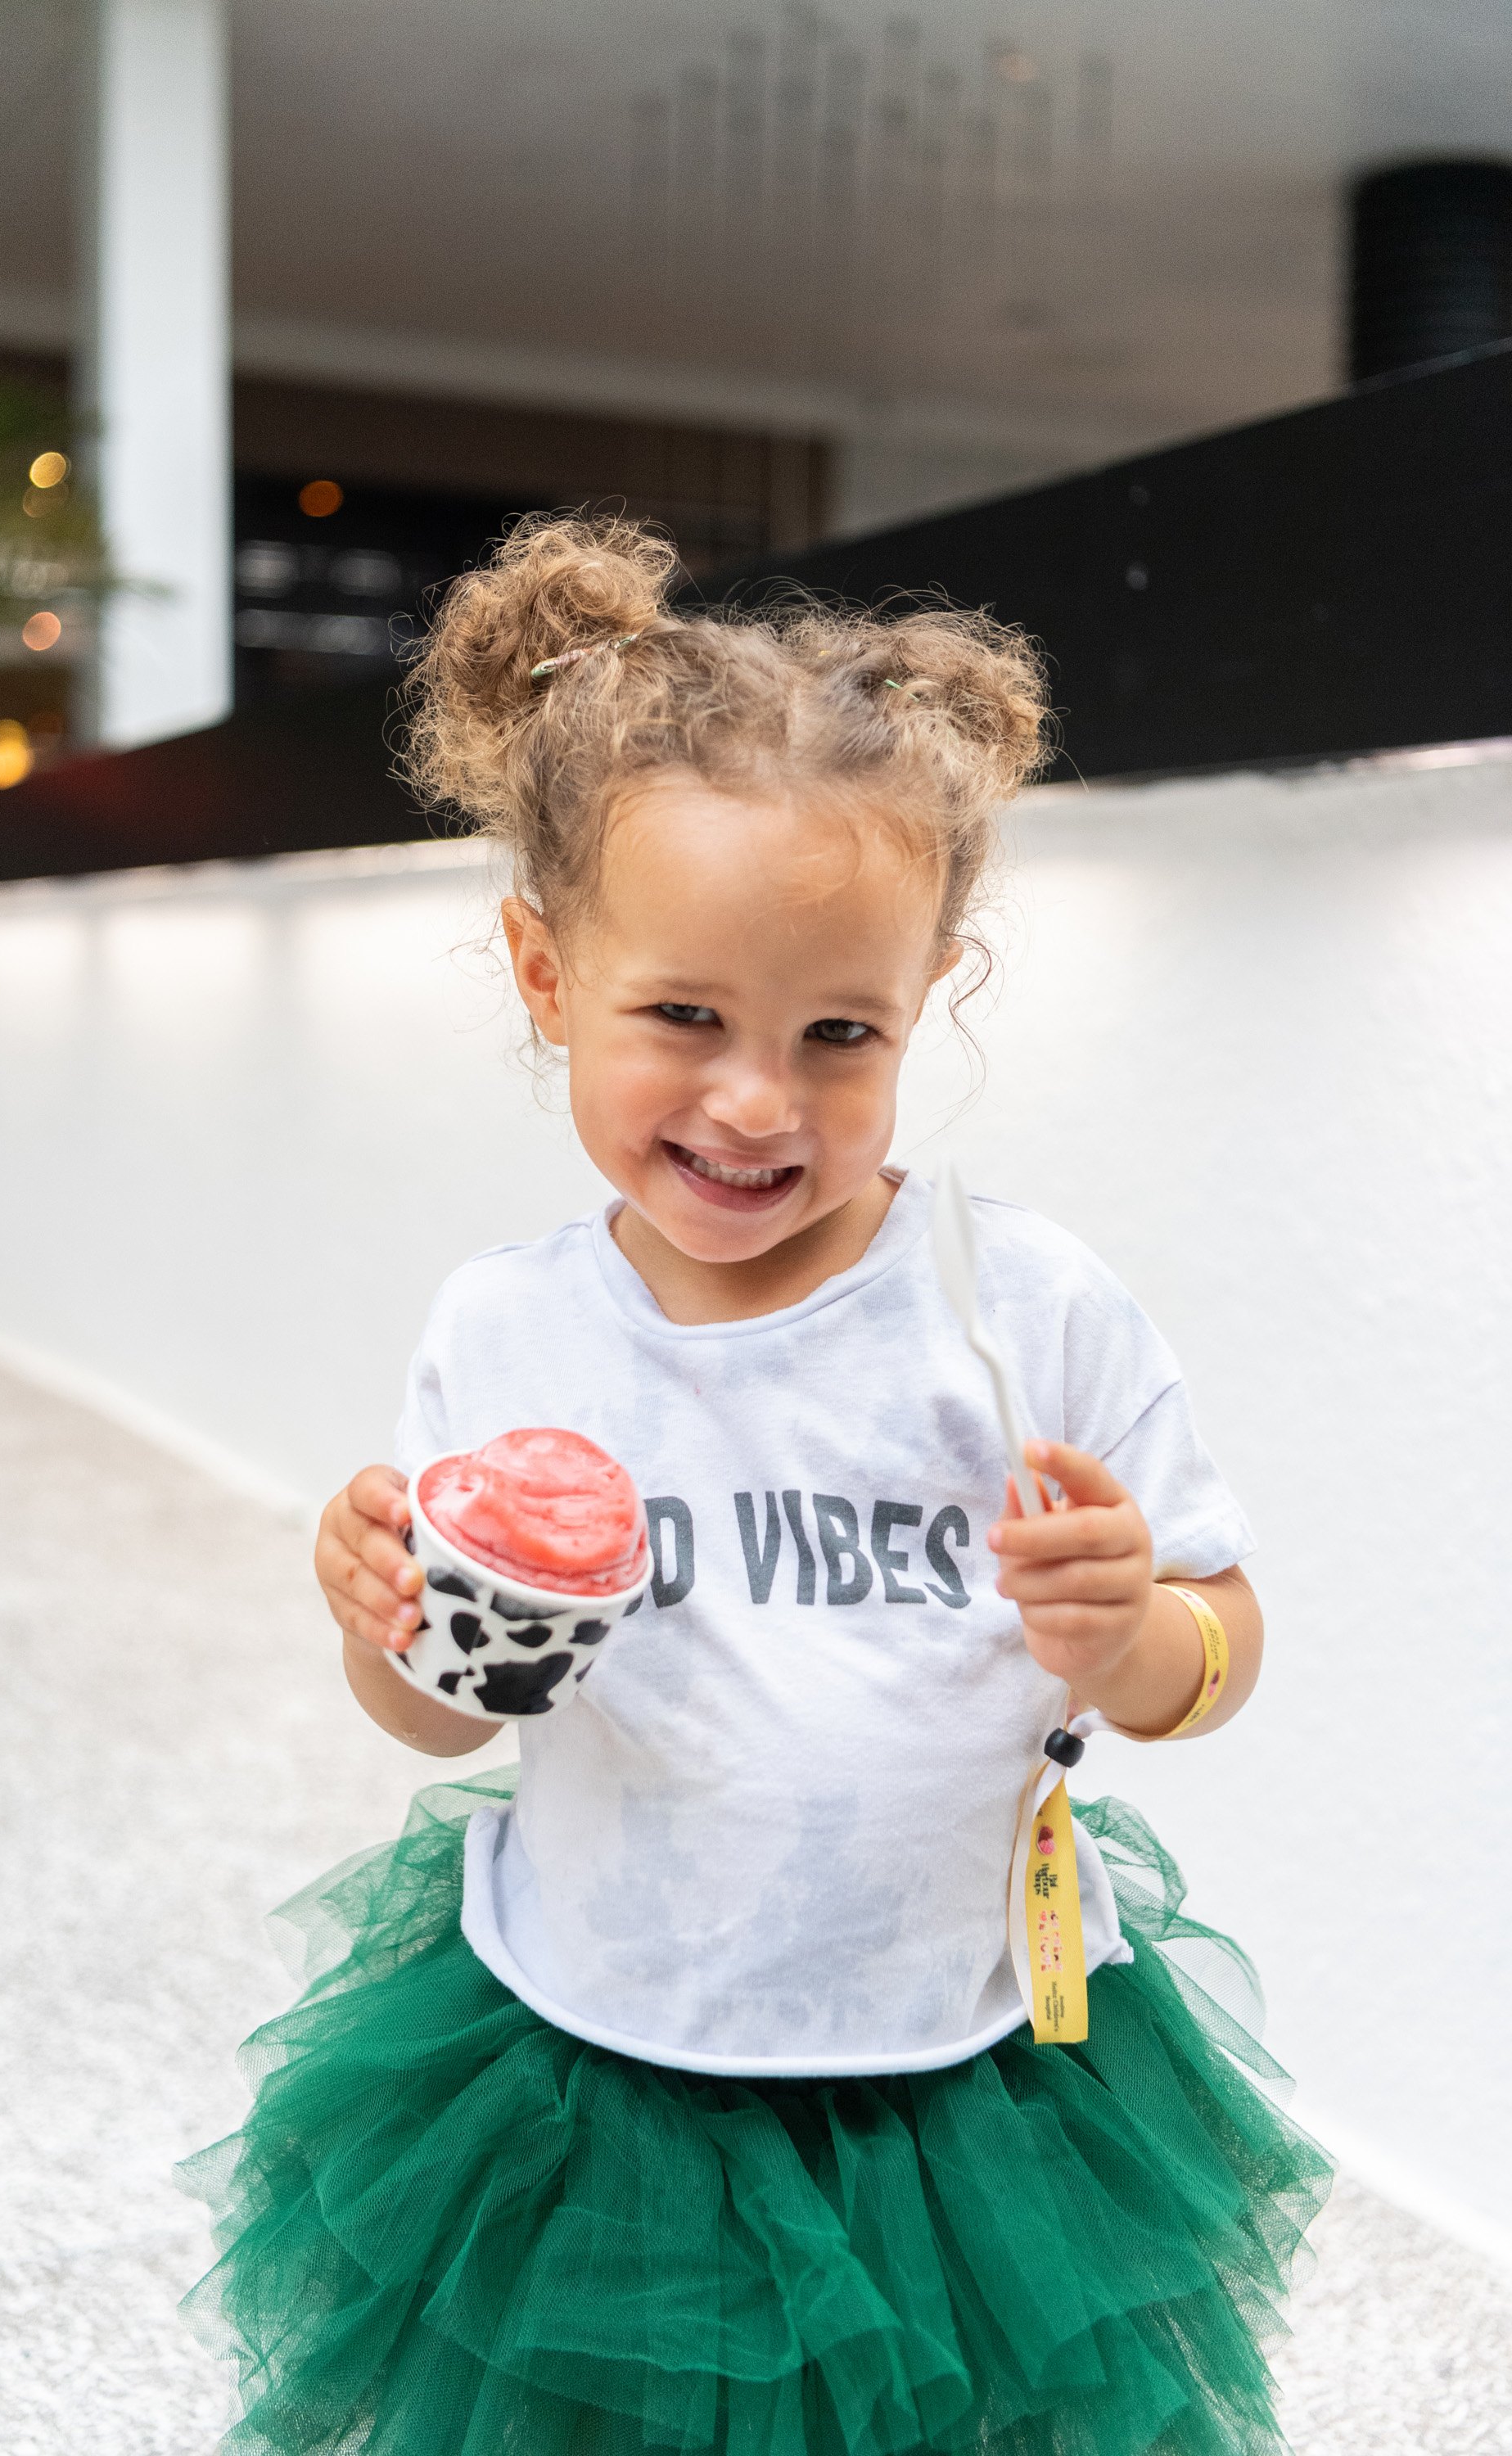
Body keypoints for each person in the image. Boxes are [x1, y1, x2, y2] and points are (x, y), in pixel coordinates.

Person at [182, 514, 1329, 2455]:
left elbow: (1221, 1649)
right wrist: (382, 1623)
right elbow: (441, 1706)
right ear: (547, 977)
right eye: (683, 1018)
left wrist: (1131, 1628)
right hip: (600, 2068)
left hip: (958, 2079)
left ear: (928, 998)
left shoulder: (1020, 1309)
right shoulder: (511, 1327)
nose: (753, 1102)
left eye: (838, 1036)